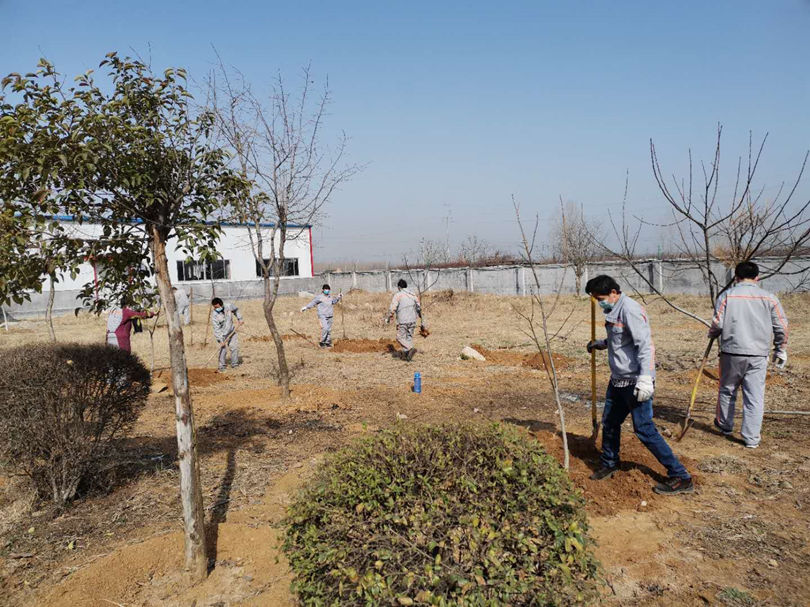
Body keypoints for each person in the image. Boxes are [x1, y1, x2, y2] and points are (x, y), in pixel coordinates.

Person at [585, 275, 693, 495]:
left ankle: (681, 476)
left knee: (644, 429)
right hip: (618, 380)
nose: (599, 302)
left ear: (614, 293)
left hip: (635, 381)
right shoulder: (613, 310)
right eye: (596, 299)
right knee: (610, 423)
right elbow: (621, 339)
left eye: (601, 298)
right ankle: (609, 462)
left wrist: (646, 378)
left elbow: (645, 346)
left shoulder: (630, 310)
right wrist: (602, 344)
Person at [708, 261, 788, 449]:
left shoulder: (727, 295)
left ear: (736, 277)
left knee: (727, 389)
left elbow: (718, 323)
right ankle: (751, 438)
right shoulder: (769, 298)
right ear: (757, 278)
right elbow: (781, 326)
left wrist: (712, 334)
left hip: (731, 352)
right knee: (754, 395)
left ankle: (725, 426)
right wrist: (780, 348)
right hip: (758, 354)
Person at [386, 279, 422, 361]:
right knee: (408, 337)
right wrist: (420, 316)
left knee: (400, 337)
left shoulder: (398, 295)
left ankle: (410, 348)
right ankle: (407, 356)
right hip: (413, 319)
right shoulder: (413, 295)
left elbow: (392, 308)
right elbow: (419, 307)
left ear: (399, 287)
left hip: (403, 320)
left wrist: (389, 316)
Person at [211, 297, 244, 371]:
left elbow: (236, 310)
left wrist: (240, 319)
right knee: (223, 350)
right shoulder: (215, 314)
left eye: (216, 307)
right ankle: (221, 366)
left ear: (220, 304)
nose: (215, 308)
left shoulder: (228, 306)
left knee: (234, 347)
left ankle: (235, 364)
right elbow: (216, 328)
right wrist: (220, 340)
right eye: (214, 307)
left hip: (232, 330)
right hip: (222, 334)